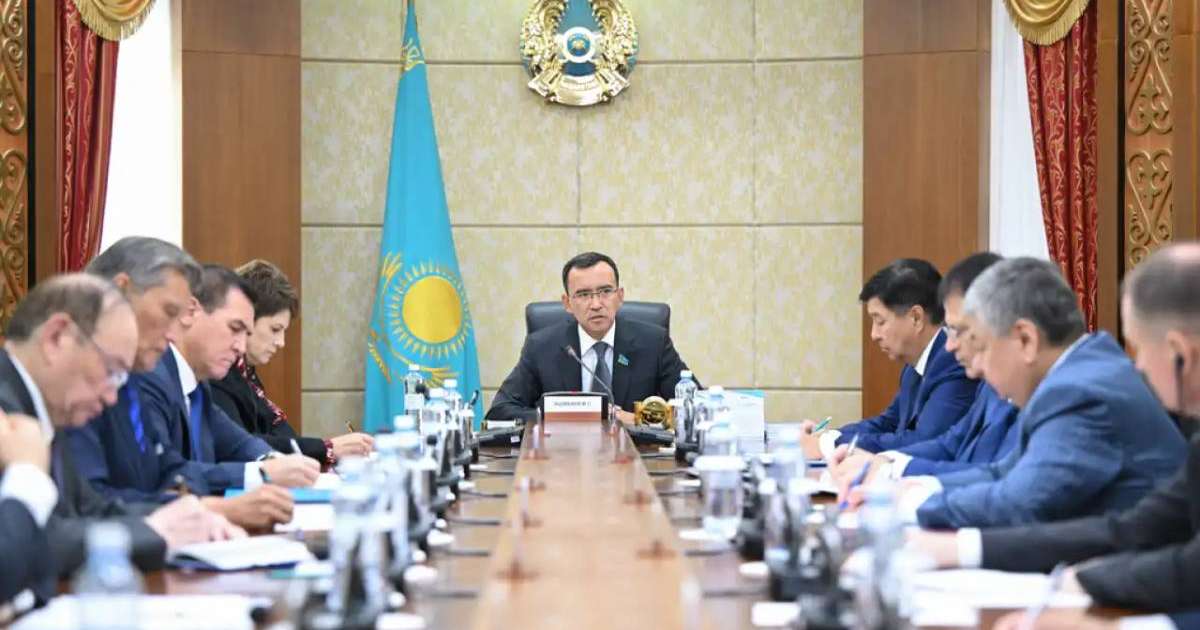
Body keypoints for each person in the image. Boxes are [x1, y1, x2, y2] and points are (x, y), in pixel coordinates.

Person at [911, 244, 1200, 629]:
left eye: (1141, 349)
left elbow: (1188, 566)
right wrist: (1081, 580)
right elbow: (1139, 527)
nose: (1139, 367)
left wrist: (1110, 620)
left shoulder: (1086, 388)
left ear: (1182, 353)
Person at [882, 257, 1185, 528]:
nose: (979, 364)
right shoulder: (1081, 369)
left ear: (1026, 339)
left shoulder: (1079, 390)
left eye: (982, 346)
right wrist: (922, 487)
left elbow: (1019, 501)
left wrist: (905, 504)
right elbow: (1006, 472)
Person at [0, 274, 240, 615]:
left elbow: (89, 509)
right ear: (56, 338)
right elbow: (36, 542)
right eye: (111, 371)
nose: (113, 396)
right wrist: (154, 533)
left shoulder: (45, 407)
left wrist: (182, 518)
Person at [71, 239, 296, 529]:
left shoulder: (128, 379)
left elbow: (165, 472)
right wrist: (214, 510)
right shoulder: (115, 381)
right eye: (169, 311)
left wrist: (259, 476)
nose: (177, 326)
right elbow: (90, 507)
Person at [830, 253, 1019, 493]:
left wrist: (889, 472)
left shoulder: (1056, 393)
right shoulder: (990, 386)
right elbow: (950, 443)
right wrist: (882, 463)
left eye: (959, 330)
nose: (951, 345)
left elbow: (997, 479)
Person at [141, 264, 319, 493]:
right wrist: (263, 473)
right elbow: (163, 475)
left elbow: (238, 442)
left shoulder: (197, 383)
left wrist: (274, 460)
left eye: (246, 334)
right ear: (191, 313)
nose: (241, 347)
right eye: (235, 328)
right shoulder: (151, 377)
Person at [801, 258, 978, 459]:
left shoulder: (953, 362)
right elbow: (888, 423)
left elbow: (922, 442)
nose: (874, 335)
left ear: (916, 318)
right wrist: (832, 435)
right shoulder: (914, 368)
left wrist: (829, 444)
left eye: (880, 321)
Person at [487, 252, 691, 423]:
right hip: (563, 460)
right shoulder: (541, 347)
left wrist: (638, 419)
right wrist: (565, 418)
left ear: (620, 296)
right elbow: (500, 411)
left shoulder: (653, 343)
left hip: (636, 458)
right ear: (567, 303)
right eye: (584, 294)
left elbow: (693, 409)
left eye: (605, 291)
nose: (595, 304)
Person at [211, 259, 372, 468]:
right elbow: (242, 445)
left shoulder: (245, 372)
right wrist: (327, 448)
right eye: (275, 329)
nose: (281, 343)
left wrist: (328, 450)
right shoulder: (217, 372)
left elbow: (280, 434)